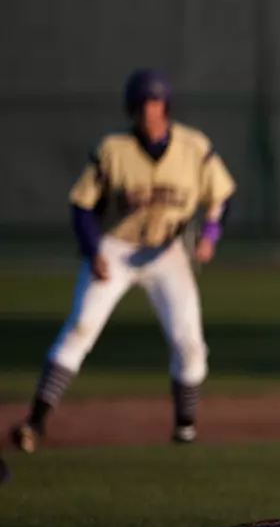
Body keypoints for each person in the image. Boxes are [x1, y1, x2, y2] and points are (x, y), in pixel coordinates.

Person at [10, 68, 236, 451]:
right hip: (115, 249)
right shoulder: (112, 150)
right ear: (132, 109)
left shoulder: (194, 147)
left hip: (167, 253)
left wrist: (211, 237)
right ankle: (35, 421)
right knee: (81, 328)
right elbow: (82, 205)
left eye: (156, 102)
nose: (150, 111)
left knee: (190, 342)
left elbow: (222, 195)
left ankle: (185, 428)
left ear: (167, 106)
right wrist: (92, 249)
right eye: (143, 104)